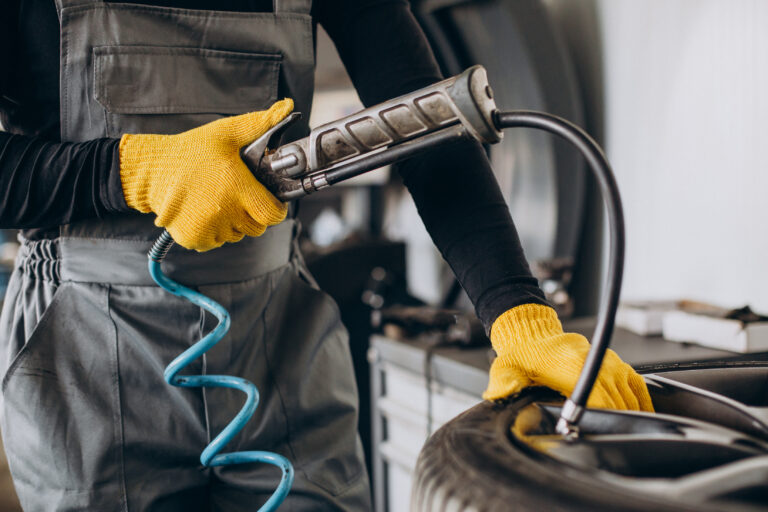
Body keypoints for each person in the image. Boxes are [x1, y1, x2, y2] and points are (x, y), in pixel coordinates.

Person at [0, 0, 653, 510]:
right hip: (86, 358)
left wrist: (517, 313)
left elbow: (424, 126)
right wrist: (131, 169)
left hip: (280, 339)